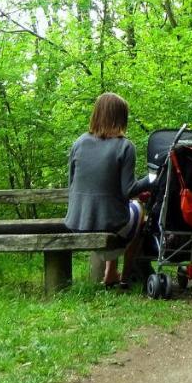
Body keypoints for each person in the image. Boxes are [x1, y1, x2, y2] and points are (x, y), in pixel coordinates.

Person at [65, 92, 143, 286]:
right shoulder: (125, 147)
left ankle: (110, 272)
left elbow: (71, 183)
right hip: (109, 222)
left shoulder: (79, 143)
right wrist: (151, 181)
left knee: (112, 209)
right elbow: (129, 190)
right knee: (138, 210)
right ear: (121, 117)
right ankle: (125, 275)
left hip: (77, 221)